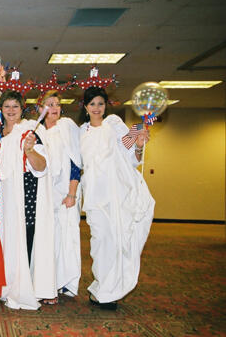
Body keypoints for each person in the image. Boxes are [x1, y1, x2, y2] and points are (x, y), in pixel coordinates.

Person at [79, 86, 155, 310]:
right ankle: (102, 285)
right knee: (100, 242)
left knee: (116, 242)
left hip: (116, 195)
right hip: (94, 196)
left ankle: (107, 292)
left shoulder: (114, 125)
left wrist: (139, 145)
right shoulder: (80, 132)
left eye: (100, 104)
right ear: (85, 107)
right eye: (92, 104)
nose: (96, 108)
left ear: (106, 106)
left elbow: (131, 157)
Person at [0, 90, 57, 309]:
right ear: (0, 109)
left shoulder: (31, 130)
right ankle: (3, 284)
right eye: (7, 106)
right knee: (2, 241)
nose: (11, 110)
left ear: (21, 108)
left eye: (15, 106)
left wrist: (29, 150)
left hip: (23, 195)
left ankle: (22, 285)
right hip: (1, 198)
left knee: (23, 239)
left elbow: (42, 165)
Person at [39, 91, 82, 299]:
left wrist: (72, 193)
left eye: (57, 104)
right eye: (49, 104)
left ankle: (65, 282)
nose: (54, 107)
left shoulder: (66, 127)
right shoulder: (38, 131)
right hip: (47, 195)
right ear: (41, 108)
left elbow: (76, 162)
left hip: (66, 193)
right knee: (49, 239)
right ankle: (50, 281)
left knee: (66, 238)